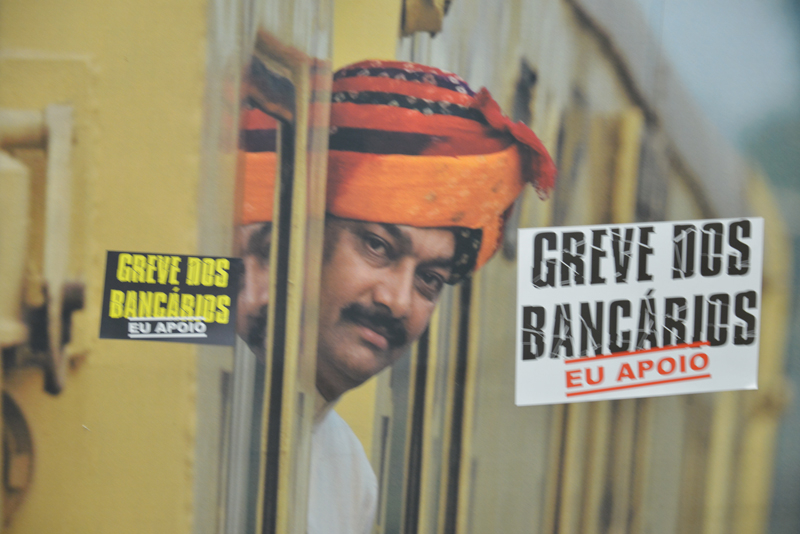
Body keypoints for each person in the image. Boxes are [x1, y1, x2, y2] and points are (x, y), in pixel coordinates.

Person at [237, 59, 556, 534]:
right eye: (377, 247)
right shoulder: (205, 409)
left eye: (430, 279)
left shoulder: (351, 479)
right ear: (301, 235)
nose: (399, 301)